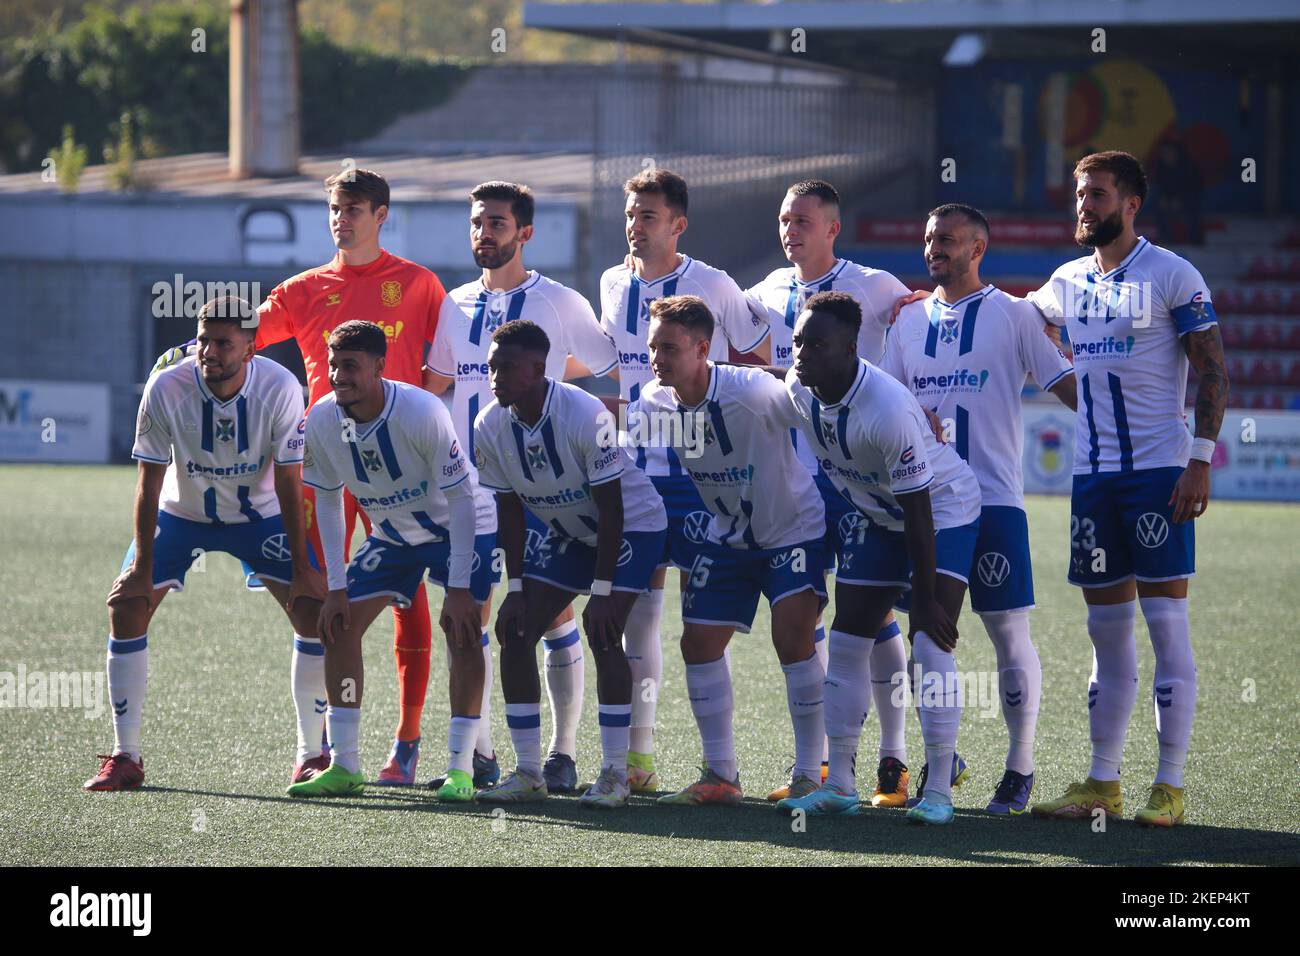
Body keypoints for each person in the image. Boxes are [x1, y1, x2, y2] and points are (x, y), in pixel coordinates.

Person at [152, 168, 462, 787]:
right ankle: (323, 747)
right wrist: (183, 355)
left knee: (411, 601)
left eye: (353, 208)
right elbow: (241, 340)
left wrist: (412, 424)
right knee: (321, 595)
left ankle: (406, 744)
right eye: (334, 208)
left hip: (400, 467)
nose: (341, 218)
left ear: (381, 214)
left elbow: (445, 368)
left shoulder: (420, 284)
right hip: (323, 462)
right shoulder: (303, 288)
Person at [1027, 151, 1228, 827]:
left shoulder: (1172, 273)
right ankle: (1102, 782)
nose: (1085, 205)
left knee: (1166, 625)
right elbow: (1023, 320)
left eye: (1099, 195)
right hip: (1093, 478)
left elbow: (1215, 373)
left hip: (1158, 473)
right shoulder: (1066, 280)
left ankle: (1169, 787)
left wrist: (1200, 460)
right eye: (1081, 194)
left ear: (1131, 204)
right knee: (1104, 632)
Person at [423, 181, 620, 794]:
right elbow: (435, 387)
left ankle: (559, 756)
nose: (486, 232)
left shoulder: (560, 302)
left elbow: (607, 370)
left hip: (539, 490)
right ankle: (474, 756)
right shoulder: (453, 303)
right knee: (466, 617)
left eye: (499, 223)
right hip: (469, 488)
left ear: (525, 233)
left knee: (554, 613)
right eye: (478, 222)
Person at [882, 204, 1077, 814]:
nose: (934, 247)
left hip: (994, 501)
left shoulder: (1013, 315)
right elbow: (886, 404)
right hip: (925, 503)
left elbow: (1069, 389)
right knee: (924, 633)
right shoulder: (907, 324)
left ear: (978, 249)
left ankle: (1020, 767)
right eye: (928, 238)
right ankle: (945, 757)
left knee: (1005, 630)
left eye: (948, 239)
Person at [85, 296, 324, 791]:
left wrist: (303, 565)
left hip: (259, 517)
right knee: (127, 606)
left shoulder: (280, 387)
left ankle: (312, 755)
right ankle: (125, 756)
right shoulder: (166, 384)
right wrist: (143, 564)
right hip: (182, 512)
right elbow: (149, 481)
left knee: (312, 608)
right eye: (203, 340)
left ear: (250, 349)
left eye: (223, 343)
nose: (208, 352)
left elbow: (289, 480)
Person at [776, 292, 982, 825]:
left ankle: (938, 790)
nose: (801, 353)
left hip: (942, 511)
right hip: (878, 516)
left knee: (930, 644)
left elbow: (919, 510)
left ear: (850, 349)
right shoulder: (798, 388)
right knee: (846, 644)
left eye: (816, 344)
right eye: (798, 341)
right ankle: (840, 784)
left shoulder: (886, 409)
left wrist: (928, 599)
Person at [746, 179, 917, 806]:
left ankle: (893, 759)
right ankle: (817, 765)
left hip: (863, 477)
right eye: (785, 218)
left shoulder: (876, 286)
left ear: (832, 229)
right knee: (809, 614)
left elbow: (924, 316)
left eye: (804, 220)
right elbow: (751, 358)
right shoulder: (766, 289)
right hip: (797, 477)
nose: (791, 229)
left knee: (873, 618)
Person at [598, 167, 770, 791]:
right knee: (638, 615)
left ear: (679, 224)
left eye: (649, 216)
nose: (636, 226)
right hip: (639, 473)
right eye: (631, 215)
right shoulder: (612, 281)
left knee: (703, 627)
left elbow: (758, 355)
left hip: (703, 477)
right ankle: (638, 760)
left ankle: (721, 769)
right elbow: (612, 367)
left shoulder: (714, 284)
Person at [627, 295, 827, 807]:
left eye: (669, 348)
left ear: (702, 348)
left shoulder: (753, 392)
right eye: (653, 347)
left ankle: (811, 773)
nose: (657, 358)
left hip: (791, 530)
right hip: (727, 535)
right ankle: (720, 775)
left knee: (792, 638)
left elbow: (814, 399)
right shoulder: (654, 400)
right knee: (697, 643)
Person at [287, 321, 492, 801]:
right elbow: (331, 500)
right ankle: (345, 765)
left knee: (461, 629)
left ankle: (461, 769)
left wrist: (459, 589)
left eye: (351, 366)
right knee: (335, 625)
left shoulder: (420, 410)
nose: (339, 375)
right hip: (395, 536)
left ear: (380, 367)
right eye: (334, 364)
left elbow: (462, 500)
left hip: (462, 528)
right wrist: (336, 588)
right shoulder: (320, 419)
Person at [473, 321, 667, 808]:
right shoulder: (489, 424)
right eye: (492, 366)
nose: (494, 376)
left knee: (604, 632)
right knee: (515, 632)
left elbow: (614, 509)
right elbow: (510, 512)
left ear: (540, 369)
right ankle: (529, 773)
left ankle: (616, 775)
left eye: (507, 367)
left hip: (631, 527)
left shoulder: (583, 412)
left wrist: (601, 594)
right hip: (568, 530)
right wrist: (514, 587)